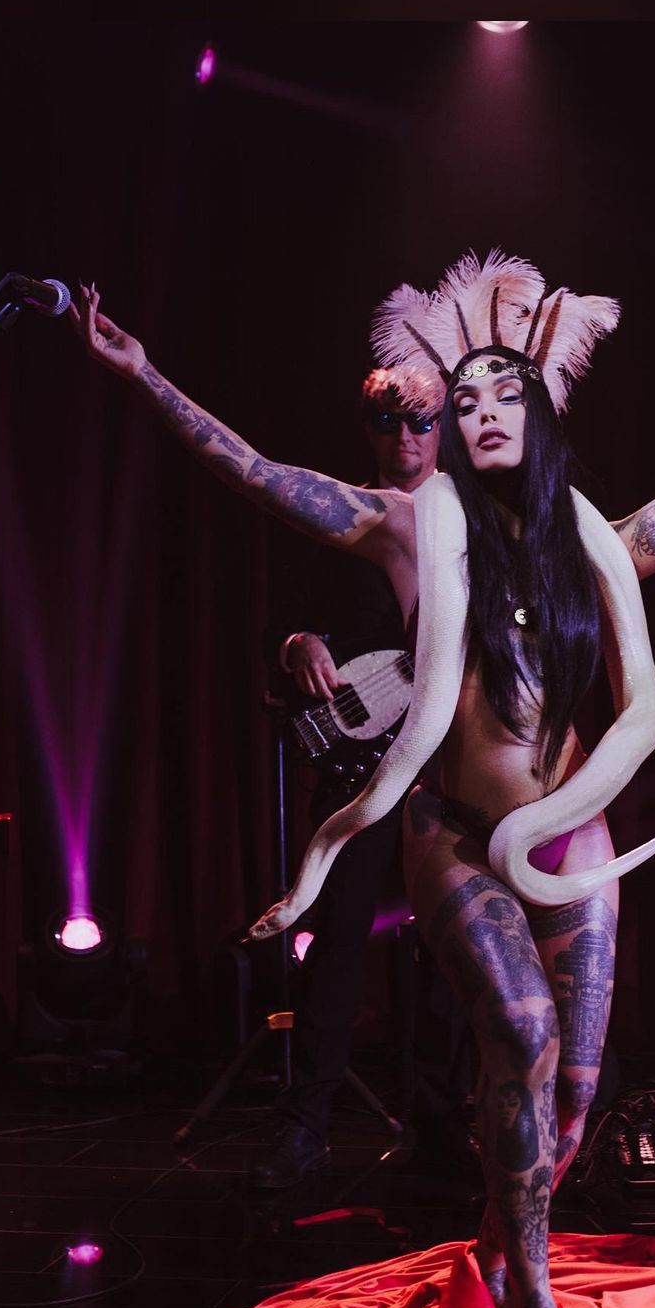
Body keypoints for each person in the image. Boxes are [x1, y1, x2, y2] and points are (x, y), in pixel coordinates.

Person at [71, 253, 655, 1308]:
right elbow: (259, 473)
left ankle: (504, 1238)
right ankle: (533, 1295)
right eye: (464, 403)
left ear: (540, 413)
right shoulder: (406, 527)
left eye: (506, 395)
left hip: (571, 835)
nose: (482, 414)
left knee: (574, 1096)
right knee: (520, 1032)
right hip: (459, 838)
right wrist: (142, 375)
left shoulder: (595, 542)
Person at [253, 368, 468, 1188]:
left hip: (449, 770)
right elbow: (278, 617)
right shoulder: (337, 515)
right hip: (359, 766)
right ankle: (304, 1130)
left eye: (419, 422)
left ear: (442, 425)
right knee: (337, 944)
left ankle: (442, 1130)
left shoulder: (475, 522)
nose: (404, 437)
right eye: (386, 423)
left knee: (448, 955)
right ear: (366, 428)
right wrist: (298, 644)